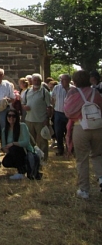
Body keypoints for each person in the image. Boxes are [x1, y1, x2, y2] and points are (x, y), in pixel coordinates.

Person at [64, 70, 102, 199]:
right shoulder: (95, 92)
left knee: (82, 159)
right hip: (97, 127)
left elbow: (68, 112)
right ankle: (101, 178)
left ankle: (84, 190)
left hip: (80, 127)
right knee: (97, 155)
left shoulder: (73, 93)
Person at [22, 73, 51, 161]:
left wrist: (47, 119)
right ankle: (32, 158)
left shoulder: (44, 92)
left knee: (42, 141)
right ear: (32, 81)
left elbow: (49, 107)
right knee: (30, 141)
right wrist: (24, 107)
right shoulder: (27, 91)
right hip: (29, 120)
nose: (36, 82)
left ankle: (43, 159)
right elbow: (23, 103)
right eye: (35, 80)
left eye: (38, 80)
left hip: (41, 120)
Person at [1, 108, 34, 180]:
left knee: (14, 148)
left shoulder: (22, 126)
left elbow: (26, 142)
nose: (11, 118)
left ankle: (21, 172)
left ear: (17, 117)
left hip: (25, 151)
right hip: (12, 152)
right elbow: (3, 145)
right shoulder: (4, 130)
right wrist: (5, 149)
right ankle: (23, 166)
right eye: (9, 116)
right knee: (5, 162)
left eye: (14, 116)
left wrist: (13, 143)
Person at [51, 74, 72, 156]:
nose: (62, 81)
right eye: (61, 79)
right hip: (58, 113)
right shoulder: (57, 88)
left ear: (69, 80)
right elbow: (53, 99)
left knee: (69, 132)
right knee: (58, 132)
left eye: (64, 80)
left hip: (69, 115)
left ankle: (69, 149)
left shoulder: (73, 89)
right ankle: (60, 149)